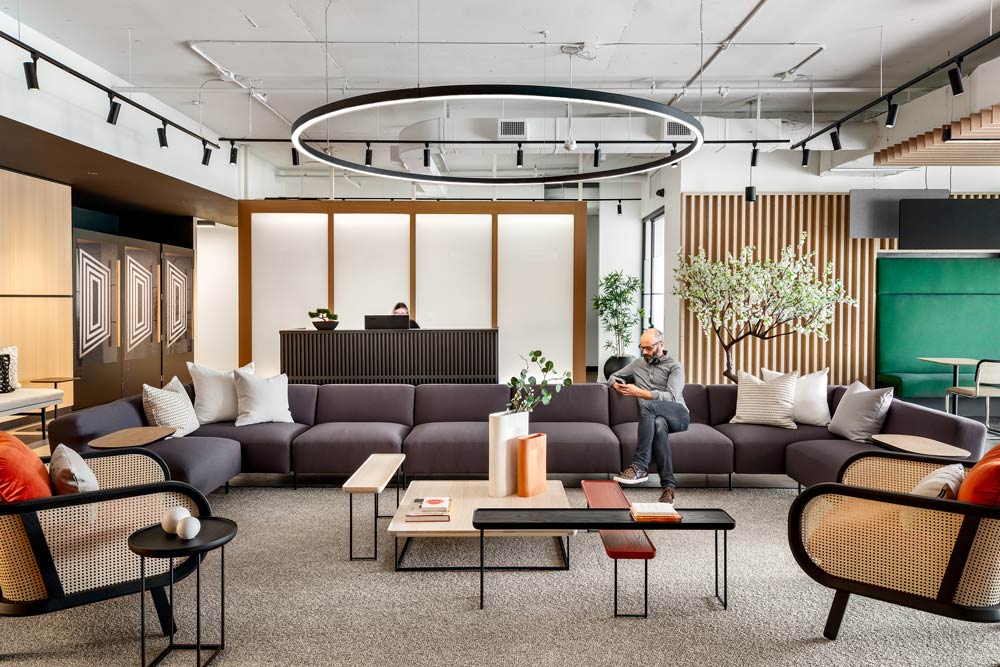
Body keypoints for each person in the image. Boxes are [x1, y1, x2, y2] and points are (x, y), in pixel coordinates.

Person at [607, 328, 689, 504]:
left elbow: (672, 397)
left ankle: (640, 466)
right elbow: (613, 376)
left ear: (661, 345)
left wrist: (639, 392)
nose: (645, 352)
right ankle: (668, 488)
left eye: (649, 348)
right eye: (642, 347)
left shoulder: (674, 366)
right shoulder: (638, 364)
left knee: (647, 405)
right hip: (656, 418)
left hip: (678, 414)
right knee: (658, 426)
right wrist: (617, 384)